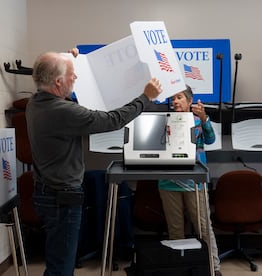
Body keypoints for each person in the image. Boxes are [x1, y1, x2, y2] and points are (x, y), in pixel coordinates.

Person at [25, 50, 162, 276]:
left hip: (46, 193)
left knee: (57, 256)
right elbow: (113, 120)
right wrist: (145, 97)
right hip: (63, 198)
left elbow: (48, 72)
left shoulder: (36, 102)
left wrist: (69, 59)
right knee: (61, 266)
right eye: (72, 74)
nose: (75, 77)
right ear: (58, 82)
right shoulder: (63, 111)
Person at [158, 85, 222, 276]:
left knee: (203, 227)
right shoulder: (164, 122)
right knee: (175, 229)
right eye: (172, 99)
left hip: (195, 182)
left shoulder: (198, 121)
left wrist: (204, 119)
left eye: (179, 97)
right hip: (168, 181)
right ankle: (180, 266)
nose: (175, 102)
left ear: (189, 101)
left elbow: (210, 140)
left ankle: (213, 267)